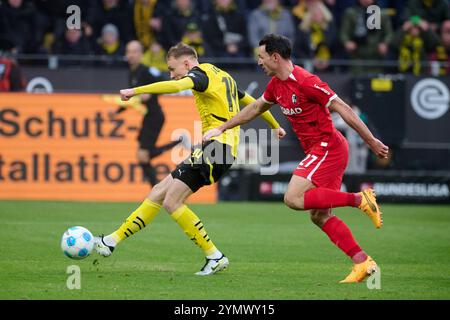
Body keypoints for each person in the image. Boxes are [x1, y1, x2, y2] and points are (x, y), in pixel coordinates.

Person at [203, 34, 389, 283]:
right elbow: (256, 108)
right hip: (320, 150)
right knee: (319, 216)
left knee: (292, 198)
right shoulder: (276, 84)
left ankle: (360, 199)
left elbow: (343, 108)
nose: (258, 62)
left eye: (261, 57)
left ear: (275, 56)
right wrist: (223, 128)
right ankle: (363, 262)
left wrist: (371, 140)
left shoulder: (306, 81)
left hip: (327, 147)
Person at [95, 42, 285, 275]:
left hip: (216, 149)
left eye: (172, 68)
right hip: (217, 150)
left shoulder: (199, 75)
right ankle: (110, 241)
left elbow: (176, 87)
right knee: (158, 191)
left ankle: (214, 256)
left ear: (186, 63)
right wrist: (275, 125)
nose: (171, 74)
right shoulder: (222, 75)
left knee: (171, 202)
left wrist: (135, 91)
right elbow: (253, 103)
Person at [115, 40, 184, 187]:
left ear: (141, 54)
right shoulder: (132, 73)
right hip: (148, 117)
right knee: (142, 157)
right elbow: (132, 98)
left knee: (143, 156)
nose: (131, 55)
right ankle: (177, 144)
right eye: (129, 51)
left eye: (134, 52)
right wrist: (116, 112)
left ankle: (155, 190)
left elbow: (166, 81)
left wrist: (152, 94)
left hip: (155, 117)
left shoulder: (147, 70)